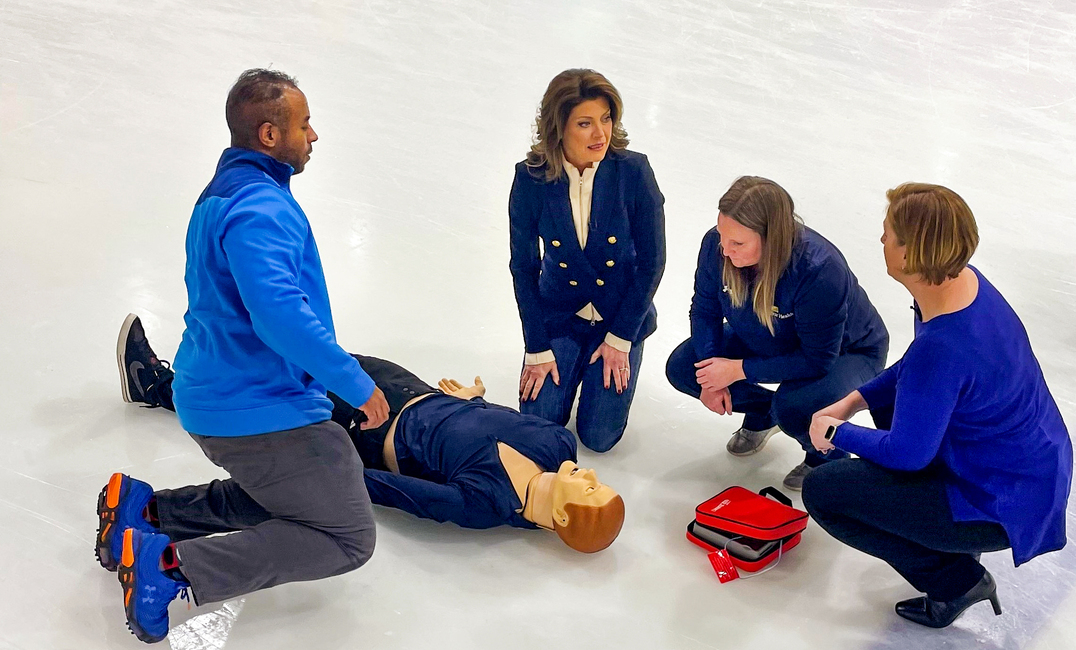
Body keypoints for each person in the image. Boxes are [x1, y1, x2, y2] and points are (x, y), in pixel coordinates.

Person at [98, 69, 389, 644]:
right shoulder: (262, 207)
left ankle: (143, 512)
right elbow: (278, 313)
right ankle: (167, 570)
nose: (314, 134)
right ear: (269, 135)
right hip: (255, 406)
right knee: (349, 535)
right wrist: (355, 384)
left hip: (218, 391)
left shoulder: (223, 193)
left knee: (303, 495)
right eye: (303, 124)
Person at [113, 316, 625, 553]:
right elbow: (501, 419)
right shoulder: (560, 446)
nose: (591, 475)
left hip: (366, 427)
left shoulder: (487, 504)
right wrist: (471, 398)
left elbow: (389, 489)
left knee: (263, 399)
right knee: (294, 356)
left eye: (590, 489)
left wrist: (320, 472)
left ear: (561, 515)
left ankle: (158, 386)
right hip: (405, 386)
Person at [802, 183, 1073, 628]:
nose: (882, 240)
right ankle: (951, 543)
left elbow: (909, 454)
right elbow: (918, 369)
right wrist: (853, 401)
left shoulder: (945, 347)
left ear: (912, 255)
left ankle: (956, 581)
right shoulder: (963, 284)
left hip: (1000, 499)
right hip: (1028, 467)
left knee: (825, 492)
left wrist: (834, 431)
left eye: (889, 233)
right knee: (889, 409)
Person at [664, 176, 889, 489]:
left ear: (771, 238)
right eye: (722, 237)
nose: (725, 251)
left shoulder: (819, 269)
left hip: (847, 352)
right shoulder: (717, 247)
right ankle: (764, 414)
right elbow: (705, 310)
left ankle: (826, 456)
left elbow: (816, 360)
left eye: (738, 243)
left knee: (795, 406)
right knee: (685, 368)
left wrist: (738, 369)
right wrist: (711, 372)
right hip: (766, 332)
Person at [508, 68, 666, 452]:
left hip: (619, 316)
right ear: (559, 126)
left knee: (599, 436)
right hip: (560, 315)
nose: (601, 134)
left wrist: (621, 338)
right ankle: (569, 361)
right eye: (585, 123)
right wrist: (537, 347)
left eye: (606, 119)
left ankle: (599, 374)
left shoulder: (634, 172)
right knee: (538, 425)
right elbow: (524, 268)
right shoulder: (530, 179)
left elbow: (652, 262)